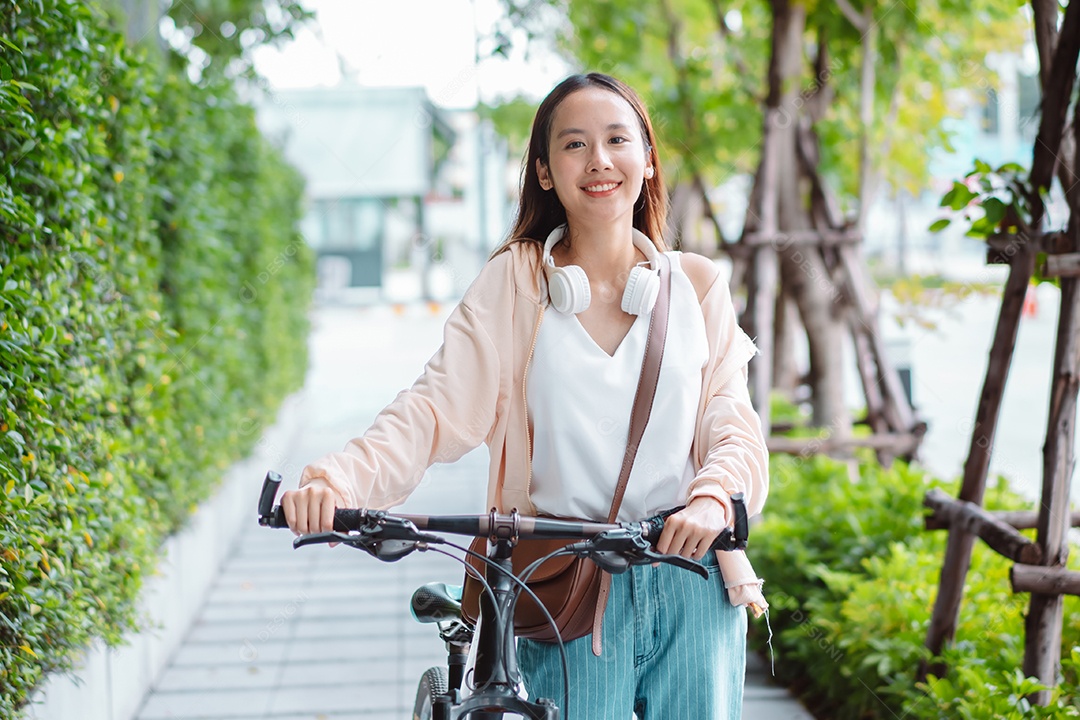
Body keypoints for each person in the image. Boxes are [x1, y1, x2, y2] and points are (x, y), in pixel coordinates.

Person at [282, 72, 769, 719]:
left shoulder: (698, 286)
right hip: (563, 587)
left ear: (647, 160)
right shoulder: (514, 285)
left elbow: (730, 420)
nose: (598, 160)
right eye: (574, 145)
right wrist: (335, 482)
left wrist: (712, 497)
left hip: (694, 580)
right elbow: (431, 409)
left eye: (617, 139)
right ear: (544, 171)